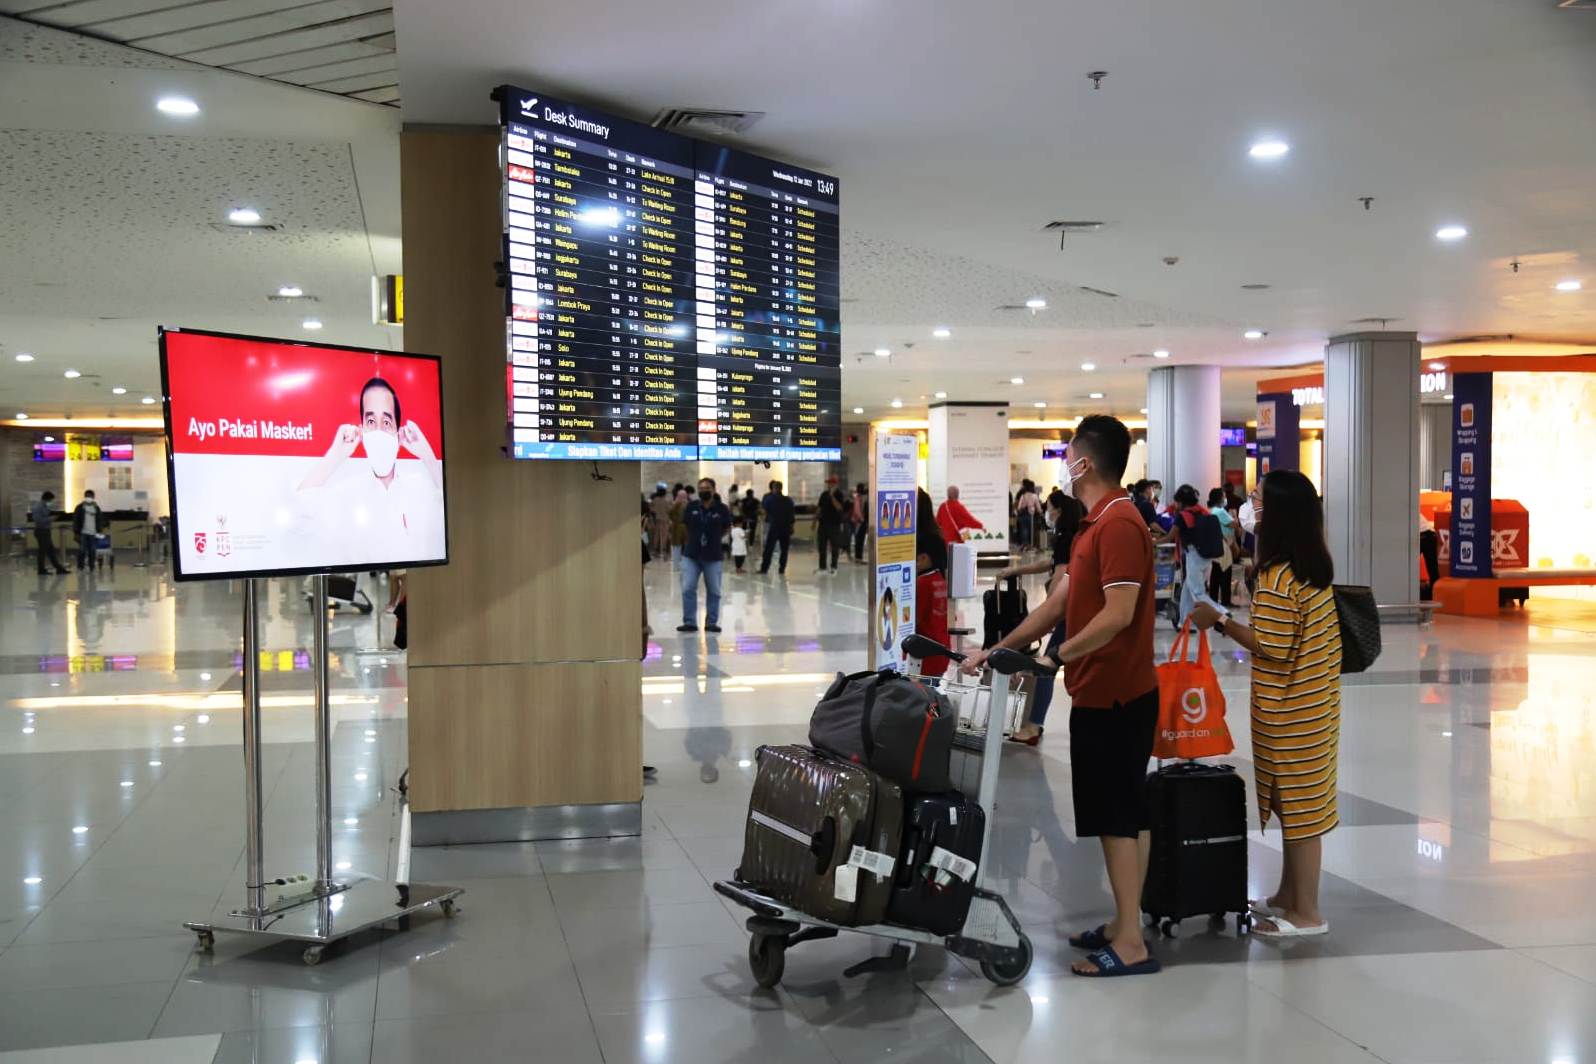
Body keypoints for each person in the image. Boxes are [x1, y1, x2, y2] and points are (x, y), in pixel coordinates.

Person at [963, 415, 1161, 978]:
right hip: (1102, 693)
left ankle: (1131, 945)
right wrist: (998, 647)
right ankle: (1128, 924)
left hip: (1119, 696)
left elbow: (1118, 616)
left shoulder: (1120, 523)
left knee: (1119, 817)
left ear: (1087, 462)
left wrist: (1057, 656)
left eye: (1070, 452)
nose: (1064, 460)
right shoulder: (1094, 524)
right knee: (1122, 813)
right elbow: (1058, 603)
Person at [1191, 469, 1341, 939]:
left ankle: (1307, 914)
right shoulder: (1311, 568)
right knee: (1297, 806)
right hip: (1314, 704)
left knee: (1300, 811)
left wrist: (1219, 622)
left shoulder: (1278, 575)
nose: (1249, 506)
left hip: (1291, 709)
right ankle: (1287, 895)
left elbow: (1271, 645)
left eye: (1256, 499)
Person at [296, 377, 444, 561]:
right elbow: (300, 517)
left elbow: (448, 521)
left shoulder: (419, 489)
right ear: (362, 430)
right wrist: (336, 455)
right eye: (371, 421)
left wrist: (428, 457)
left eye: (387, 422)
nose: (379, 431)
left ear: (398, 434)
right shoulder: (348, 492)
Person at [992, 489, 1085, 745]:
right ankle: (1034, 724)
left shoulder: (1068, 537)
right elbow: (1052, 564)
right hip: (1074, 613)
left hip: (1069, 614)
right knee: (1051, 664)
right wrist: (1017, 569)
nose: (1048, 512)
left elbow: (1060, 576)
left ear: (1060, 511)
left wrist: (1047, 615)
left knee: (1046, 666)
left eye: (1050, 508)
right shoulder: (1071, 536)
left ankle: (1033, 726)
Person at [1158, 484, 1220, 624]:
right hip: (1206, 556)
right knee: (1187, 590)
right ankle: (1185, 622)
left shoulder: (1182, 516)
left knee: (1197, 591)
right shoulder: (1203, 511)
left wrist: (1153, 543)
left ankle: (1222, 612)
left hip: (1193, 555)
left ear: (1180, 501)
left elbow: (1170, 537)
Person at [678, 478, 732, 633]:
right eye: (700, 488)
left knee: (714, 590)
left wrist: (714, 538)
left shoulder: (722, 508)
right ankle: (690, 622)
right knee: (688, 588)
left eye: (707, 488)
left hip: (713, 555)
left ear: (713, 489)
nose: (703, 490)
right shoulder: (692, 506)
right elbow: (686, 526)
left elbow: (726, 528)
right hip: (692, 555)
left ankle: (711, 623)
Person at [1207, 487, 1237, 608]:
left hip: (1215, 543)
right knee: (1225, 572)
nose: (1225, 499)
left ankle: (1213, 599)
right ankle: (1225, 600)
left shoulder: (1211, 510)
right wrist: (1235, 515)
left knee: (1216, 572)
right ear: (1219, 498)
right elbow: (1234, 524)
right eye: (1224, 496)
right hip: (1223, 543)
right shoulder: (1220, 511)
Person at [759, 480, 796, 575]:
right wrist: (791, 527)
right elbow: (792, 516)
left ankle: (764, 569)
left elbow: (763, 511)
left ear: (774, 488)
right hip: (786, 528)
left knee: (769, 549)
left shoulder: (770, 499)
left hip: (774, 527)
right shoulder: (789, 500)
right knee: (784, 549)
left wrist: (765, 518)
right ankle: (782, 569)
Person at [31, 491, 68, 575]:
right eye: (50, 500)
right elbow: (38, 521)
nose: (51, 502)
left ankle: (59, 568)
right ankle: (41, 570)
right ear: (46, 499)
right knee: (42, 551)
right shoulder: (37, 507)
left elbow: (46, 515)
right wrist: (51, 519)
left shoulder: (44, 506)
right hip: (41, 531)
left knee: (51, 550)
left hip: (46, 531)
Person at [814, 481, 844, 573]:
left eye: (832, 483)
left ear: (836, 484)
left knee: (835, 546)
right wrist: (814, 521)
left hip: (834, 524)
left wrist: (832, 496)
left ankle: (834, 566)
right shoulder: (824, 494)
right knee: (821, 546)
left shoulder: (839, 494)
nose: (830, 485)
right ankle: (822, 566)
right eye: (829, 484)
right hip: (823, 524)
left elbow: (839, 507)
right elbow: (819, 508)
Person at [71, 489, 103, 572]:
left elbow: (99, 520)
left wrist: (99, 530)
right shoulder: (79, 508)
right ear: (85, 497)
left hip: (93, 532)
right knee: (82, 550)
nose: (89, 498)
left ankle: (91, 566)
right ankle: (80, 566)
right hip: (82, 532)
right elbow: (76, 520)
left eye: (90, 496)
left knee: (92, 550)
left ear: (93, 497)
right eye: (87, 496)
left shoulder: (96, 508)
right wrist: (76, 532)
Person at [851, 482, 870, 561]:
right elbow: (857, 510)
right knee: (859, 539)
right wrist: (861, 519)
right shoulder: (858, 497)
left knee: (860, 539)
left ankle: (859, 556)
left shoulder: (861, 497)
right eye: (862, 488)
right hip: (859, 521)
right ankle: (858, 557)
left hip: (861, 521)